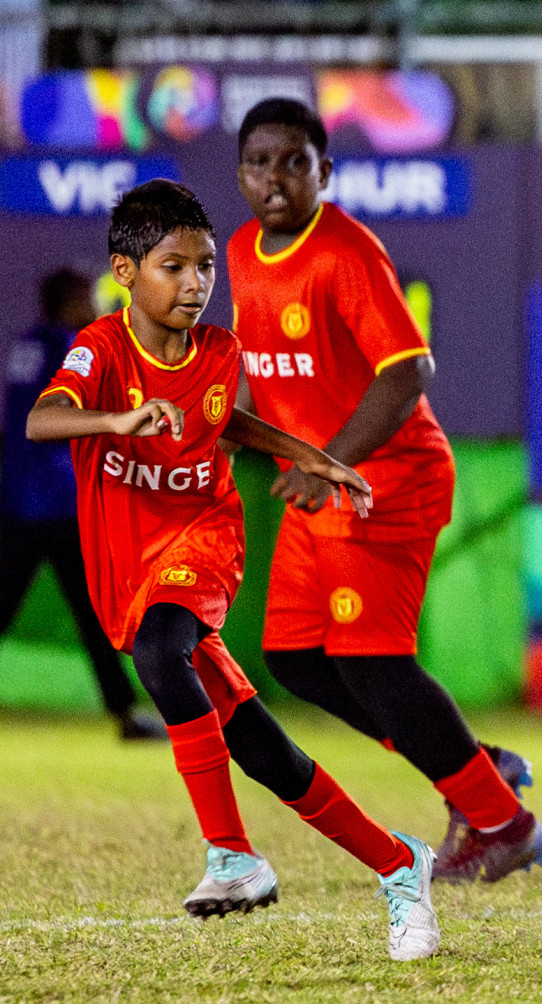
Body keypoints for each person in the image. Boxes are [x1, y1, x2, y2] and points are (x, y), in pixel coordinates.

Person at [28, 179, 439, 961]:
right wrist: (117, 417)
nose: (195, 284)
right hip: (129, 562)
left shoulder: (221, 350)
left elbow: (231, 422)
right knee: (261, 749)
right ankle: (399, 862)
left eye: (207, 267)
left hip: (203, 541)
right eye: (173, 267)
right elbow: (43, 418)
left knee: (160, 650)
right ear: (125, 271)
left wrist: (321, 460)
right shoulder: (101, 349)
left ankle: (231, 855)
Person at [226, 98, 542, 883]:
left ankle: (505, 825)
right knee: (296, 659)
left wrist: (328, 461)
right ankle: (476, 769)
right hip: (316, 485)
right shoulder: (237, 251)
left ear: (323, 172)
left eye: (294, 161)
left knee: (374, 664)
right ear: (241, 173)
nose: (276, 177)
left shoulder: (344, 250)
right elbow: (263, 373)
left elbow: (408, 372)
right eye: (260, 161)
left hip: (382, 479)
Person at [0, 268, 163, 739]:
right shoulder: (73, 347)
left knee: (79, 611)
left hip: (19, 502)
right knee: (95, 613)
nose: (93, 307)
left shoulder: (28, 345)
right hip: (59, 504)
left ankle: (126, 714)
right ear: (69, 303)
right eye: (85, 299)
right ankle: (127, 716)